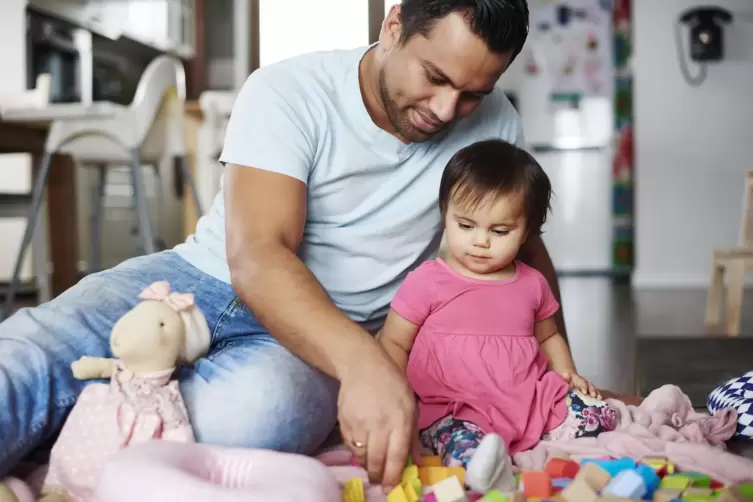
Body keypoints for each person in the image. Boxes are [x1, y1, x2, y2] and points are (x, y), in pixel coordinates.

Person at [0, 0, 564, 490]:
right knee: (27, 355)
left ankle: (93, 434)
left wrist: (556, 369)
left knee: (261, 414)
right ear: (393, 26)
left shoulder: (496, 126)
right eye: (434, 77)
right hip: (199, 281)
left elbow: (524, 256)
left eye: (471, 95)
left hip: (319, 335)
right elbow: (259, 255)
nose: (446, 110)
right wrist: (368, 367)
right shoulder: (290, 89)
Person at [378, 139, 618, 493]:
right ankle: (485, 466)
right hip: (451, 405)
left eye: (500, 231)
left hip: (524, 399)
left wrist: (568, 374)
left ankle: (529, 436)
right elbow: (394, 341)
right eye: (466, 225)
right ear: (445, 213)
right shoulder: (427, 280)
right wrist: (396, 396)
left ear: (527, 233)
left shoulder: (532, 283)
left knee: (601, 415)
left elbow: (548, 336)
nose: (480, 241)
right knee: (458, 444)